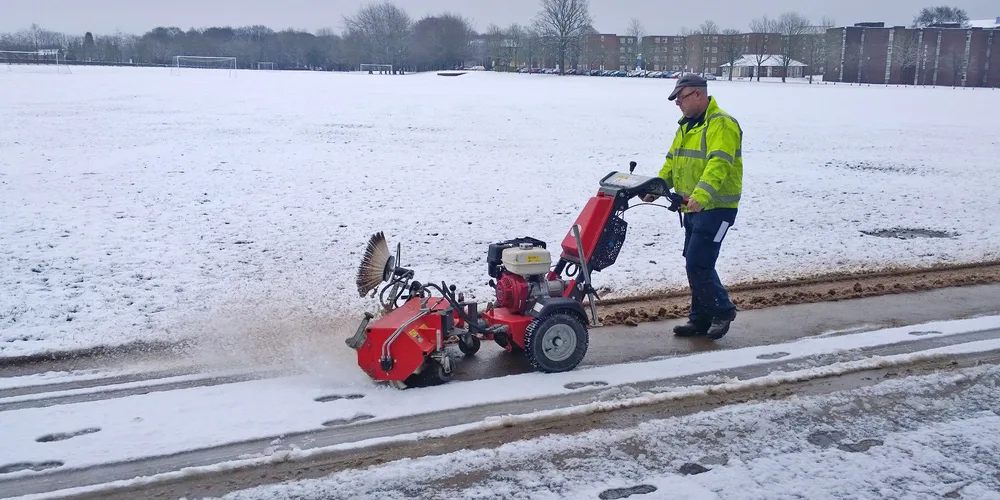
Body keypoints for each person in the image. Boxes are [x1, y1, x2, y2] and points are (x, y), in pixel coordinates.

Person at [642, 73, 743, 340]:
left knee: (699, 263)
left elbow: (719, 164)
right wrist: (656, 188)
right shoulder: (686, 127)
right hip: (691, 208)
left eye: (680, 98)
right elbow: (672, 163)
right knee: (694, 261)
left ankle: (722, 311)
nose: (677, 103)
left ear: (698, 94)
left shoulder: (722, 124)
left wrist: (701, 196)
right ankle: (700, 319)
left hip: (717, 208)